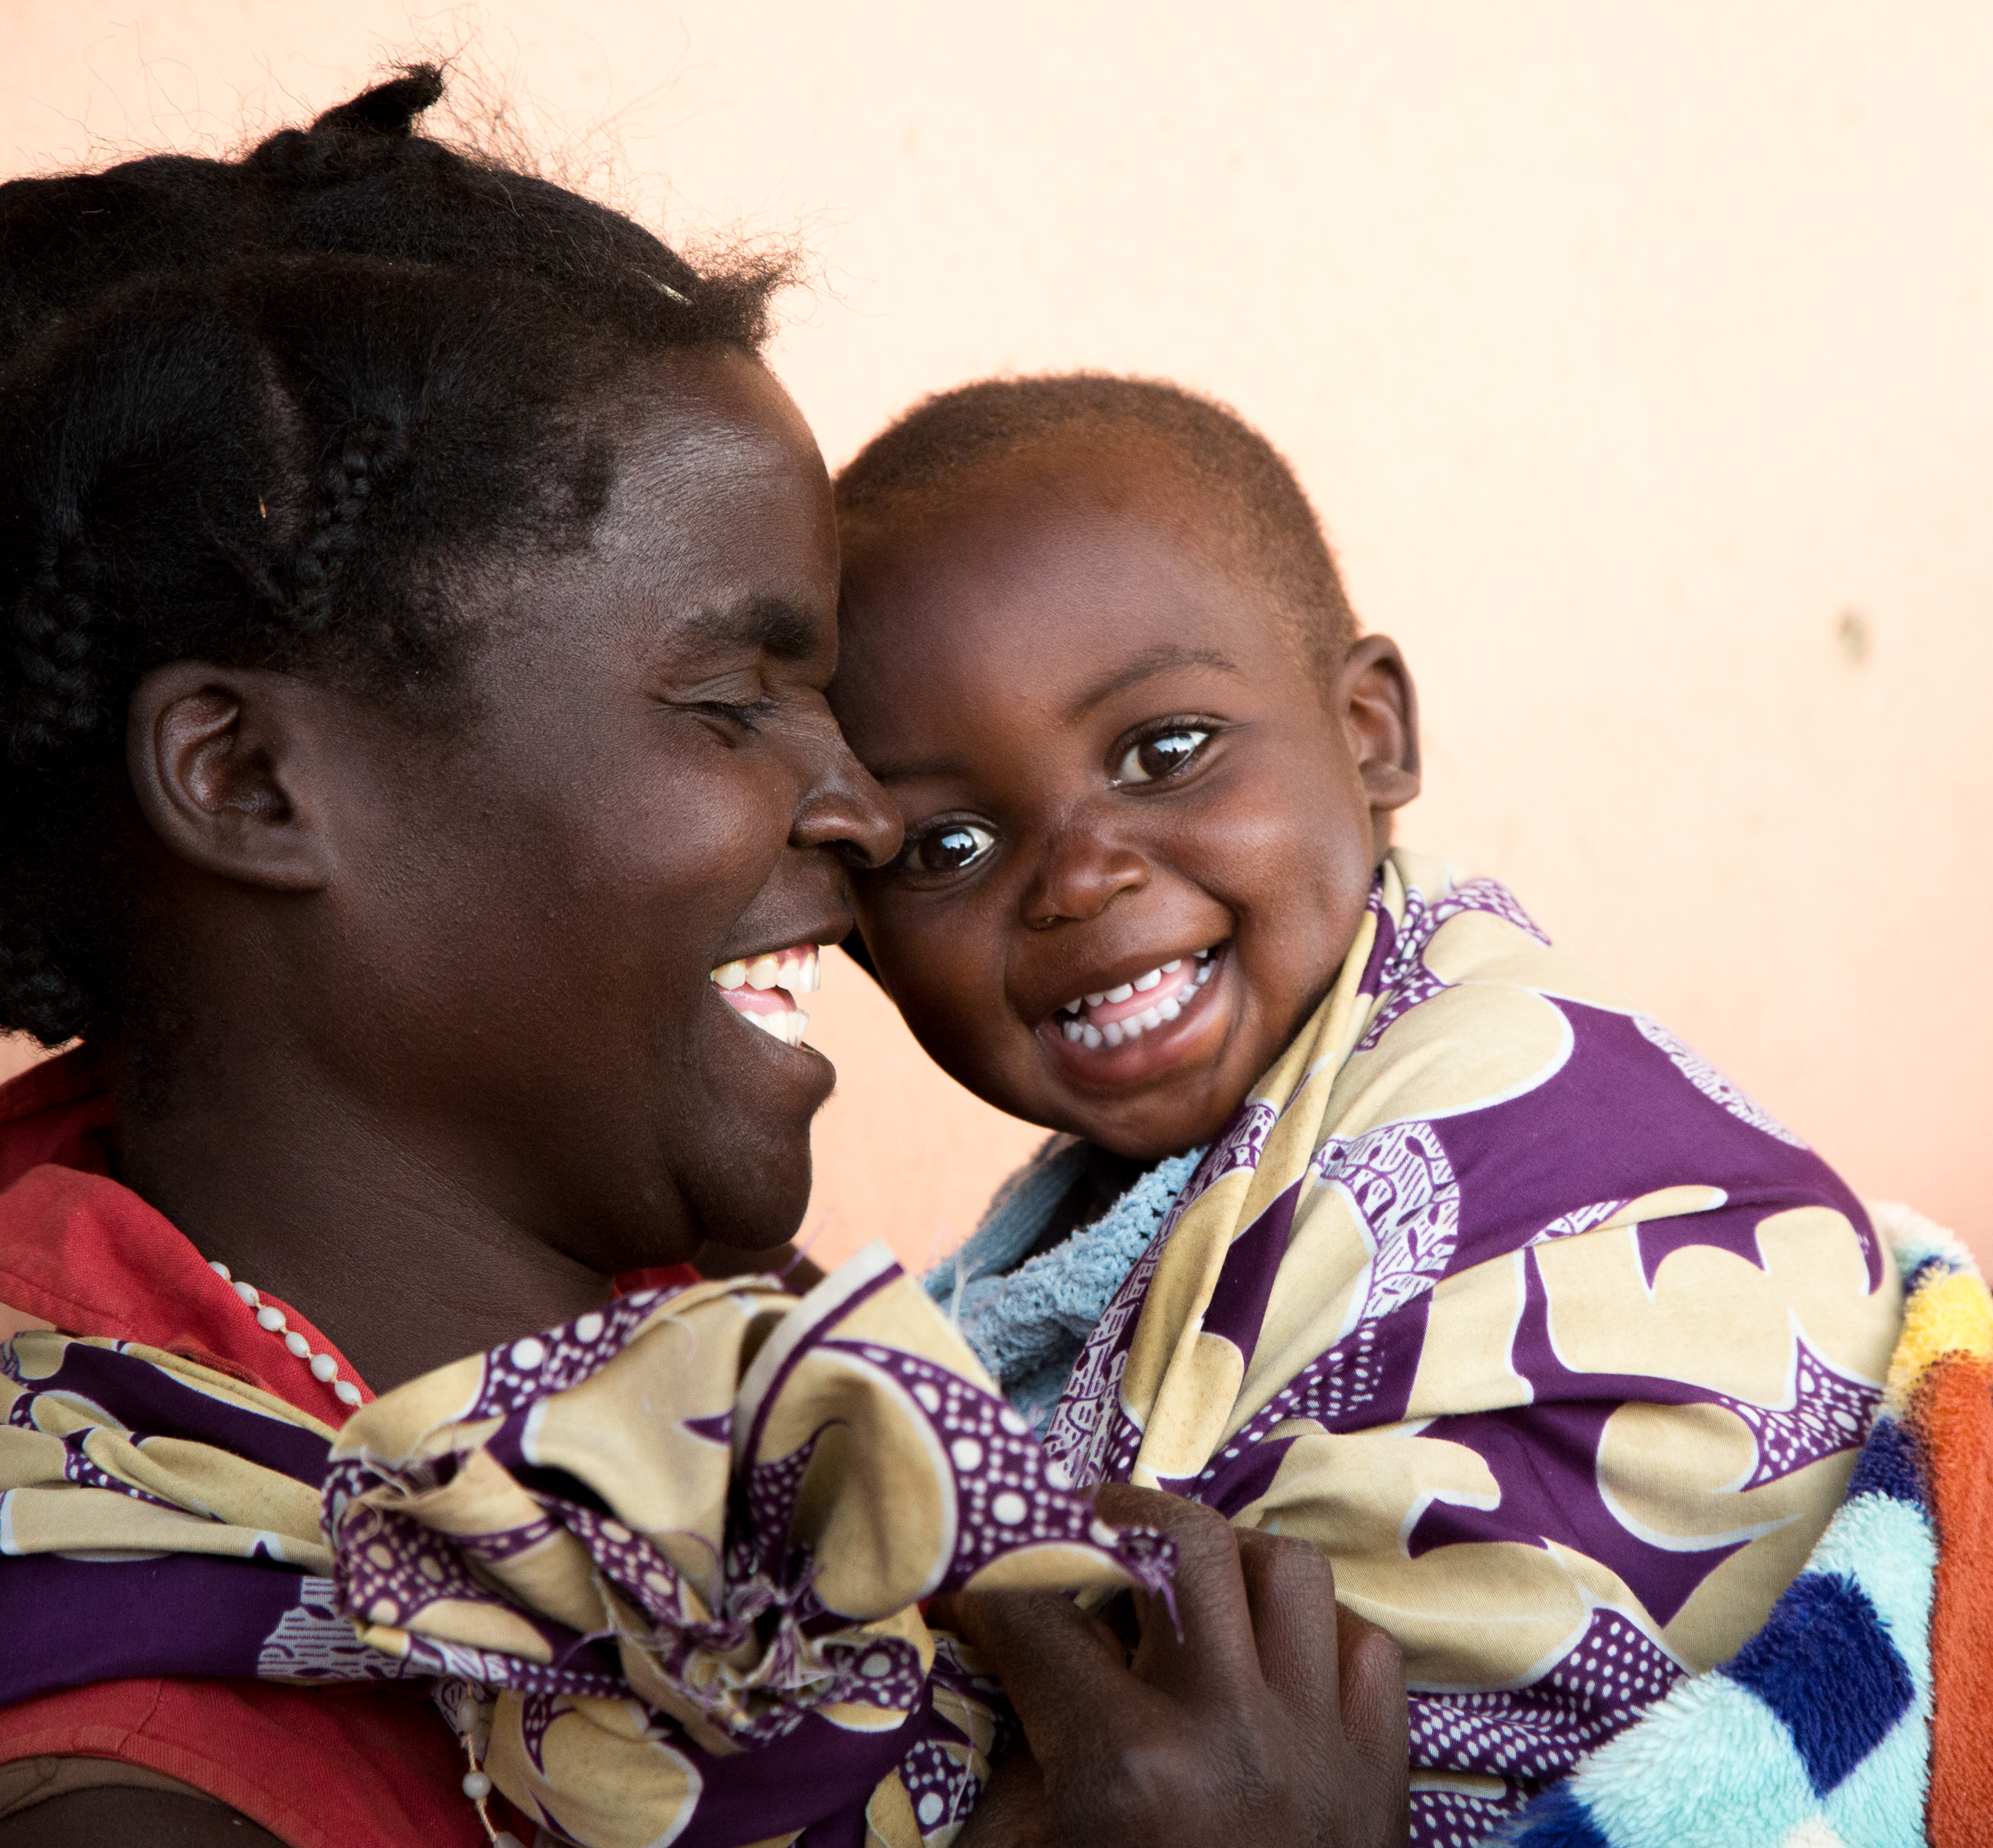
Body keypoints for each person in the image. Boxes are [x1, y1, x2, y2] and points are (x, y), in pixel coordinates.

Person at [0, 73, 1403, 1848]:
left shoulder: (722, 1403)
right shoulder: (123, 1780)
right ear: (253, 779)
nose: (863, 809)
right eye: (733, 702)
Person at [827, 375, 1993, 1843]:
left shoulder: (1527, 1113)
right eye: (951, 843)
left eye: (1163, 751)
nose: (1076, 874)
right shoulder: (1059, 1253)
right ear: (864, 938)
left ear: (1371, 738)